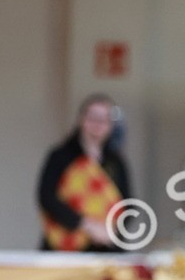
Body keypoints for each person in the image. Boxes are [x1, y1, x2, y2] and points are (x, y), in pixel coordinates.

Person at [37, 93, 132, 251]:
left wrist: (109, 230)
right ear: (81, 119)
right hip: (65, 246)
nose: (97, 124)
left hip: (105, 246)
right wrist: (86, 225)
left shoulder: (116, 162)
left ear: (111, 125)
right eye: (93, 117)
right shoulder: (61, 156)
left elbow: (127, 204)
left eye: (104, 119)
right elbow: (46, 197)